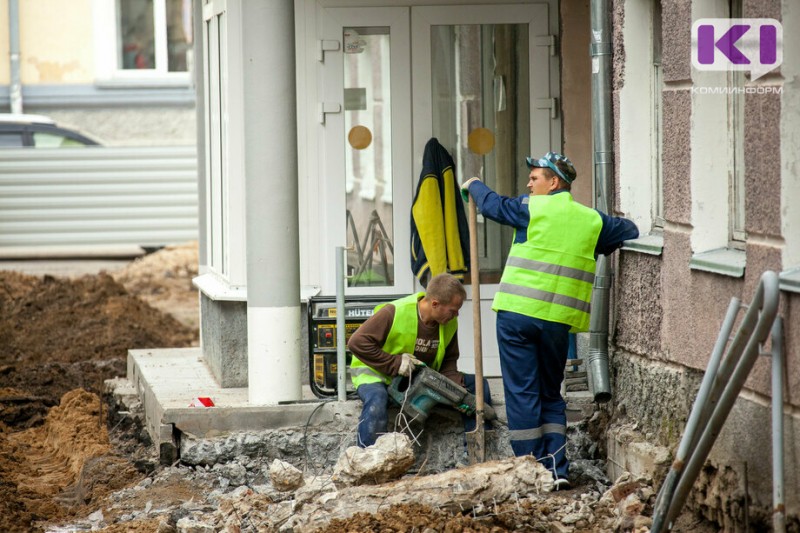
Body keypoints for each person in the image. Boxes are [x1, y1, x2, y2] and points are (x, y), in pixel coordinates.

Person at [461, 151, 638, 489]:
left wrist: (474, 185)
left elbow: (492, 206)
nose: (529, 183)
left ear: (554, 182)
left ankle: (530, 472)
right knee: (551, 395)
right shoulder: (592, 220)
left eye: (535, 177)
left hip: (517, 319)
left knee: (523, 394)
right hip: (556, 323)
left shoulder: (531, 208)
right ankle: (556, 471)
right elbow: (628, 230)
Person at [347, 272, 491, 449]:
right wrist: (395, 363)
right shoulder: (394, 312)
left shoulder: (448, 322)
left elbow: (449, 360)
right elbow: (356, 342)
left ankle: (479, 452)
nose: (456, 315)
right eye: (453, 311)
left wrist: (455, 390)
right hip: (377, 376)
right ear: (435, 304)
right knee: (377, 400)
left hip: (416, 379)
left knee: (478, 386)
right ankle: (367, 460)